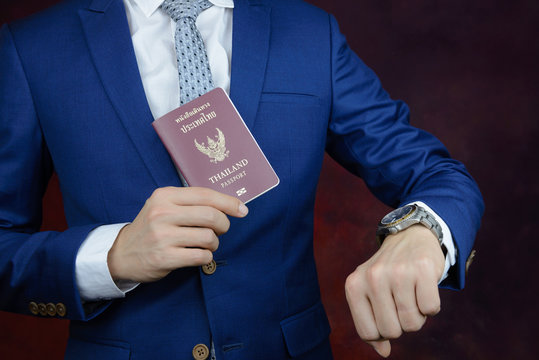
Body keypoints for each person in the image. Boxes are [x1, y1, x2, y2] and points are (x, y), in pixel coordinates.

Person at [0, 0, 483, 359]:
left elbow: (437, 174)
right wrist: (112, 256)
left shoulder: (311, 34)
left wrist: (422, 231)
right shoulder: (32, 48)